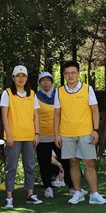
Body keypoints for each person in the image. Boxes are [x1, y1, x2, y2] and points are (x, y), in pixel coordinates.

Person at [53, 60, 106, 205]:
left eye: (73, 73)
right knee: (73, 163)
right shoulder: (59, 91)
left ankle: (94, 194)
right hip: (67, 133)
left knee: (88, 162)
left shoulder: (87, 89)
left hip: (86, 132)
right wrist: (57, 134)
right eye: (67, 73)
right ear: (63, 75)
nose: (70, 76)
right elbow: (57, 114)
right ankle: (78, 193)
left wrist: (95, 130)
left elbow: (95, 110)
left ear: (78, 73)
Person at [0, 65, 41, 208]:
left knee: (30, 166)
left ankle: (30, 194)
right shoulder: (7, 93)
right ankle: (9, 197)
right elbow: (4, 116)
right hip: (13, 138)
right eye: (18, 76)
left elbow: (36, 116)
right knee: (11, 167)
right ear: (13, 78)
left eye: (23, 76)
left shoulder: (32, 94)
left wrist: (37, 133)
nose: (21, 78)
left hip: (29, 136)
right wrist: (8, 135)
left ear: (27, 78)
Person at [35, 71, 62, 199]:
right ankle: (48, 187)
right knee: (44, 163)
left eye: (48, 80)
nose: (46, 83)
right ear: (39, 83)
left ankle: (73, 187)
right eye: (43, 81)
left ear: (52, 82)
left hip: (58, 135)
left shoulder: (58, 95)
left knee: (66, 160)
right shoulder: (35, 96)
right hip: (42, 136)